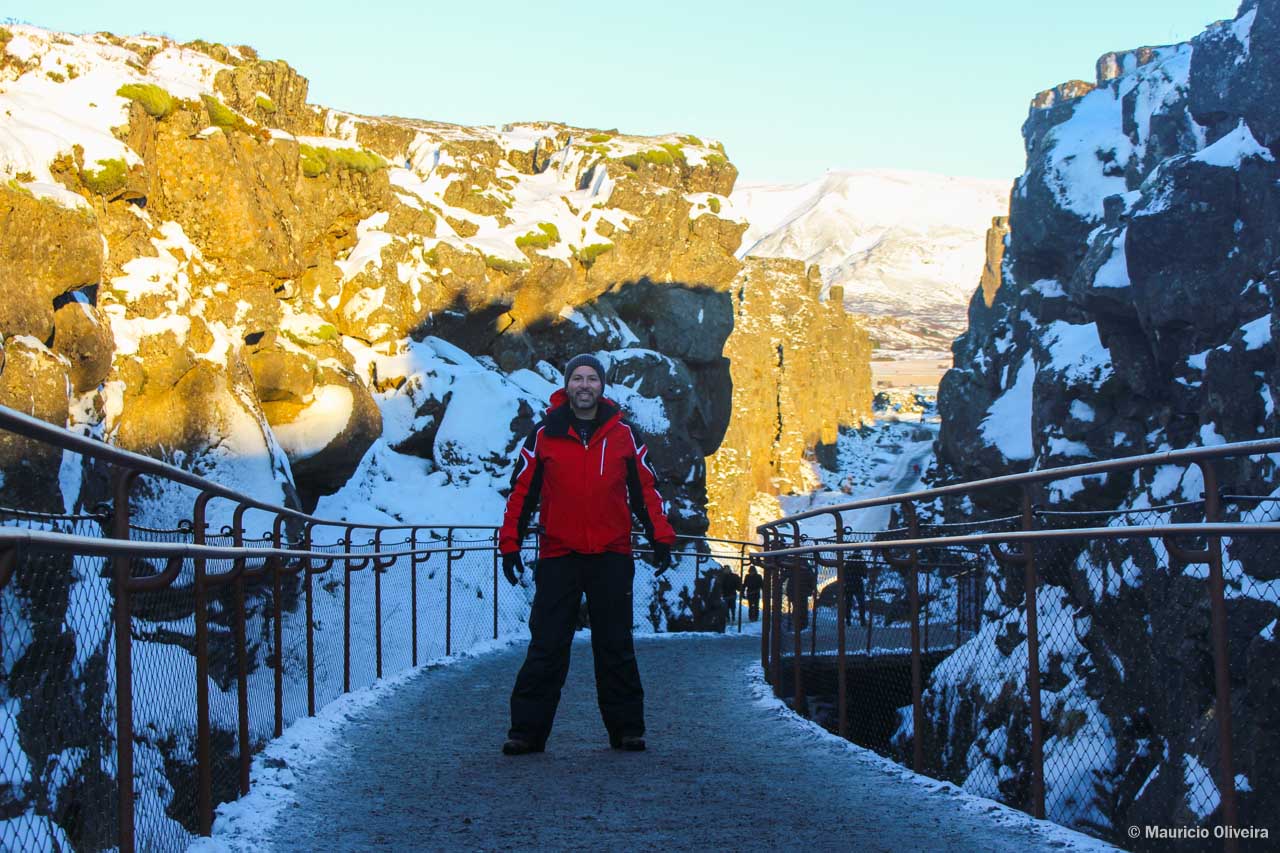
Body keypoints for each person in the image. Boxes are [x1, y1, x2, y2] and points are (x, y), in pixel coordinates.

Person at [498, 354, 676, 755]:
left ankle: (627, 730)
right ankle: (526, 733)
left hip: (612, 553)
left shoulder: (625, 436)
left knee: (615, 645)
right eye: (577, 378)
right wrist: (510, 543)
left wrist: (660, 537)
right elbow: (521, 493)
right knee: (546, 646)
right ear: (567, 385)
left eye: (592, 379)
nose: (584, 385)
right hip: (559, 553)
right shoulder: (543, 435)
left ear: (602, 386)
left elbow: (645, 491)